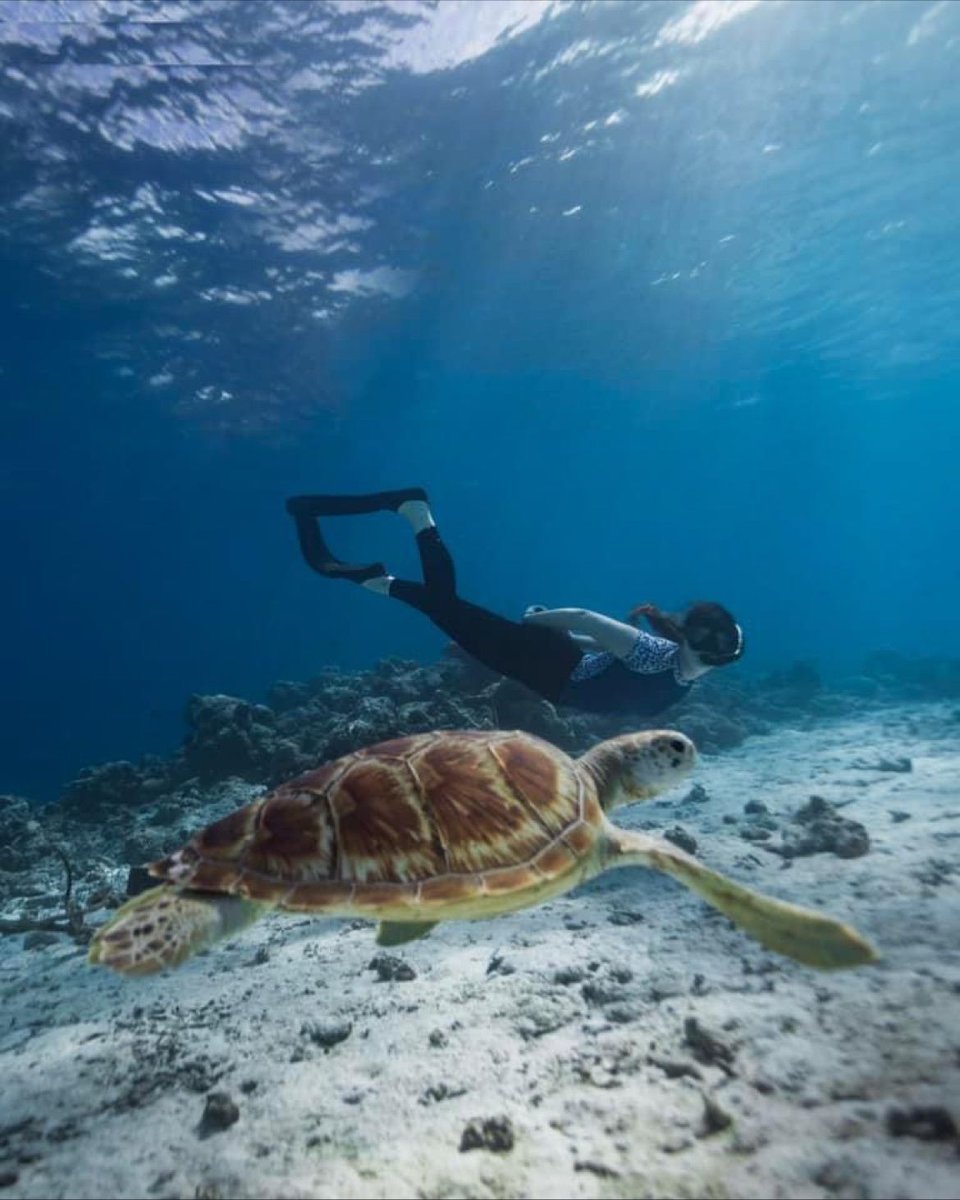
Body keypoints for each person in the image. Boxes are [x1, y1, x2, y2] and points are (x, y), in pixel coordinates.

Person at [285, 488, 744, 716]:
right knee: (445, 609)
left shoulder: (679, 669)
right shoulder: (657, 655)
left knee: (444, 608)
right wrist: (540, 620)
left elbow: (600, 647)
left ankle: (378, 574)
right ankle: (412, 517)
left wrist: (567, 635)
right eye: (711, 635)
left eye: (721, 640)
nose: (715, 645)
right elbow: (590, 620)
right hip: (541, 661)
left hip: (551, 666)